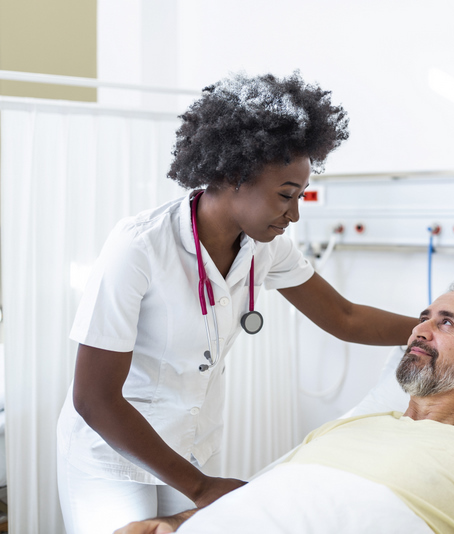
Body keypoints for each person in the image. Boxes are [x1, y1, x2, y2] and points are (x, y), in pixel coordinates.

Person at [56, 71, 419, 534]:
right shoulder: (140, 248)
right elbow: (94, 398)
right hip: (113, 454)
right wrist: (202, 488)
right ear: (232, 175)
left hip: (190, 448)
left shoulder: (265, 246)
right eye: (286, 195)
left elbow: (343, 317)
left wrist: (432, 329)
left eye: (301, 195)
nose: (295, 213)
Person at [116, 279, 454, 534]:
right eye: (423, 318)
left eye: (445, 322)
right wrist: (172, 522)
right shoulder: (345, 429)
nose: (419, 330)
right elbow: (266, 499)